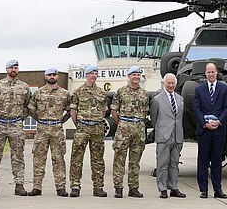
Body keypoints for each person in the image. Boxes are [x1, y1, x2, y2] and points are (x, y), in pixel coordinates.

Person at [0, 60, 31, 196]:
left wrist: (20, 118)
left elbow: (28, 105)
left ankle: (19, 185)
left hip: (16, 125)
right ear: (6, 69)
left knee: (18, 156)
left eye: (16, 67)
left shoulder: (24, 87)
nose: (14, 69)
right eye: (11, 67)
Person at [27, 68, 72, 197]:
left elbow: (70, 110)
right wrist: (39, 120)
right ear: (45, 76)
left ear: (57, 77)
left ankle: (60, 187)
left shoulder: (64, 93)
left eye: (54, 75)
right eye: (49, 75)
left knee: (58, 159)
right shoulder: (39, 93)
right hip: (42, 129)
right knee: (38, 158)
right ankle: (37, 187)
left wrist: (60, 121)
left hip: (56, 129)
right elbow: (31, 109)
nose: (52, 76)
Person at [193, 62, 227, 199]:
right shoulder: (199, 90)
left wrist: (219, 121)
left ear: (216, 73)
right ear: (205, 73)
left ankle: (218, 189)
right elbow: (196, 108)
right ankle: (203, 190)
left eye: (213, 72)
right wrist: (204, 123)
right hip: (204, 130)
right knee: (202, 160)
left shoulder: (224, 89)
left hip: (218, 130)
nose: (210, 74)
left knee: (217, 161)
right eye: (208, 72)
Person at [69, 65, 109, 197]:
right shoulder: (78, 92)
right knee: (76, 158)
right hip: (82, 128)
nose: (94, 75)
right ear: (86, 75)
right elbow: (73, 110)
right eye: (91, 73)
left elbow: (104, 110)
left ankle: (98, 187)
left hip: (97, 128)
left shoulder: (101, 93)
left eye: (96, 73)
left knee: (98, 159)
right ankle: (75, 186)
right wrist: (78, 125)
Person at [111, 66, 149, 198]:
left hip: (138, 129)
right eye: (134, 75)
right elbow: (114, 111)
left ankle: (133, 188)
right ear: (129, 76)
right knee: (119, 159)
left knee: (135, 160)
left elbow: (145, 112)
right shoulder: (121, 92)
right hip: (124, 129)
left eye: (138, 75)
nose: (136, 77)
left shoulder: (144, 94)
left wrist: (137, 122)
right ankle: (118, 187)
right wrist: (121, 123)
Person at [150, 73, 186, 199]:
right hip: (163, 136)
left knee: (174, 163)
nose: (171, 85)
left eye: (173, 83)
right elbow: (154, 119)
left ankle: (174, 187)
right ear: (164, 83)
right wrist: (161, 130)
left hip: (177, 135)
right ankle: (163, 188)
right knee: (162, 163)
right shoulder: (157, 99)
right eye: (168, 83)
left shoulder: (180, 99)